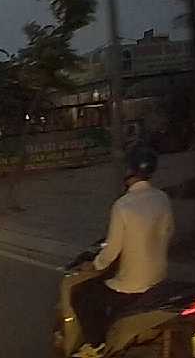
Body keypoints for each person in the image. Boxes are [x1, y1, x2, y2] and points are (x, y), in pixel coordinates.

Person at [72, 145, 174, 358]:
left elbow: (111, 251)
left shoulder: (123, 205)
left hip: (131, 287)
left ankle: (96, 346)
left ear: (129, 171)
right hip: (158, 279)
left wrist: (94, 265)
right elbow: (168, 232)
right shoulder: (162, 198)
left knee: (81, 295)